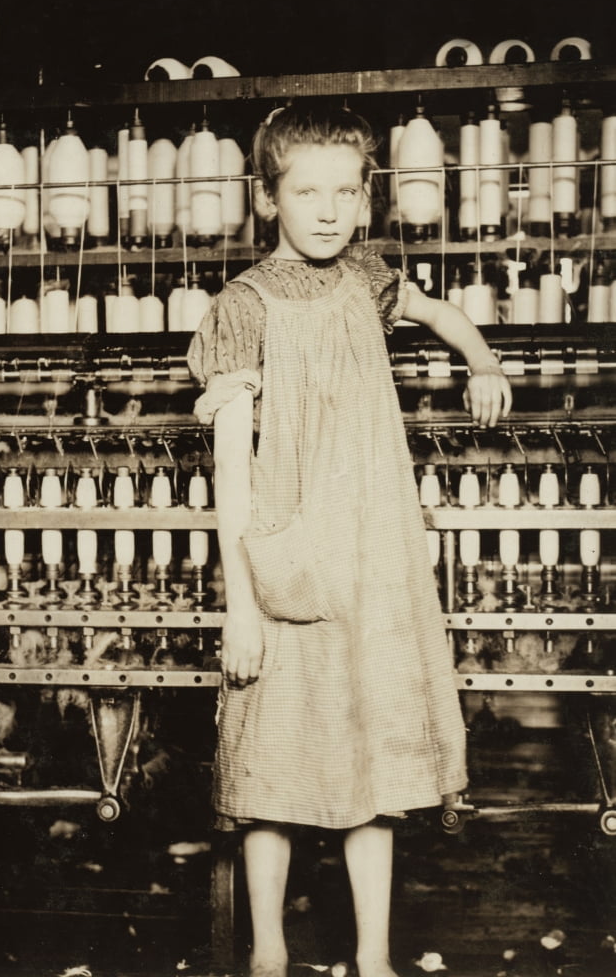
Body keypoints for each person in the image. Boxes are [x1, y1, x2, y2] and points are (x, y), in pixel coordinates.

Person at [187, 100, 512, 977]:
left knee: (376, 769)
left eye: (344, 191)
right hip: (289, 561)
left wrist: (482, 362)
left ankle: (371, 961)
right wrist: (241, 608)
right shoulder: (241, 306)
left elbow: (441, 313)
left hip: (373, 562)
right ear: (266, 199)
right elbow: (228, 471)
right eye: (305, 191)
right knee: (270, 776)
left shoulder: (369, 275)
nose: (327, 209)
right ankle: (266, 955)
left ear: (367, 200)